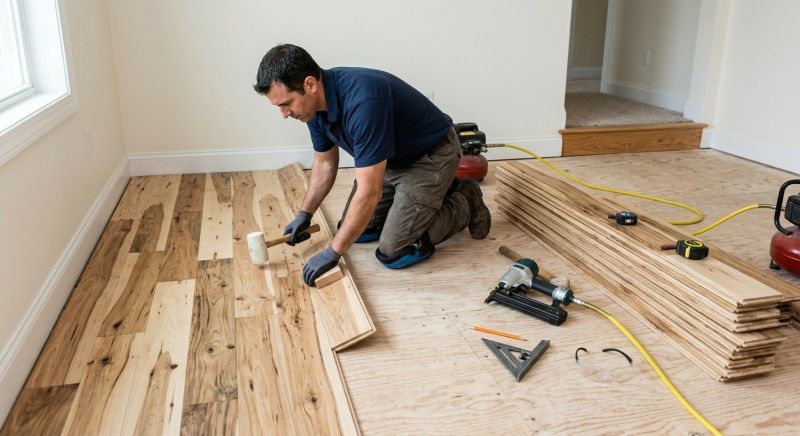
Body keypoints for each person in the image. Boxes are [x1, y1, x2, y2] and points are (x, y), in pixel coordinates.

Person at [253, 44, 490, 286]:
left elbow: (369, 193)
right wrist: (305, 213)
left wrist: (332, 253)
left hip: (430, 157)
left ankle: (466, 201)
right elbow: (324, 163)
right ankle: (423, 201)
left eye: (286, 103)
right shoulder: (313, 108)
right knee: (359, 231)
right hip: (391, 160)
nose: (284, 113)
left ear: (310, 84)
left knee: (394, 250)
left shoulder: (363, 102)